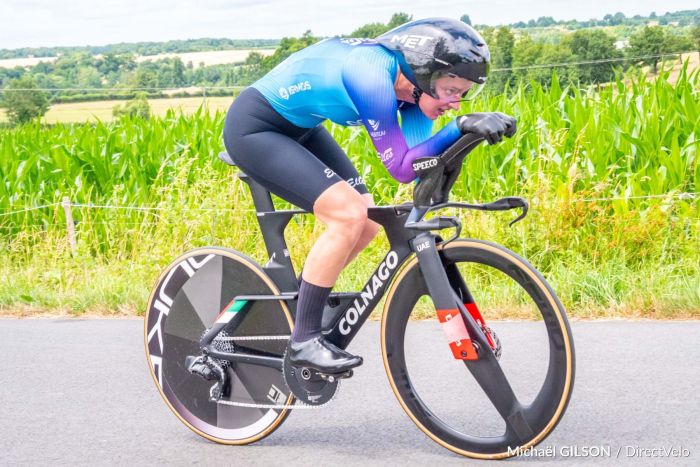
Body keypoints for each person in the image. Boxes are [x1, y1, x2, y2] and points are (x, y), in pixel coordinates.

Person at [223, 17, 516, 374]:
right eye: (450, 90)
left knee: (367, 221)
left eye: (463, 94)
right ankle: (303, 341)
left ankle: (299, 309)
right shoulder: (371, 76)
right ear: (424, 72)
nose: (455, 103)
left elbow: (419, 163)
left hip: (301, 128)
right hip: (254, 128)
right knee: (347, 215)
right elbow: (401, 169)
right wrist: (459, 127)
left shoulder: (413, 92)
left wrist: (465, 139)